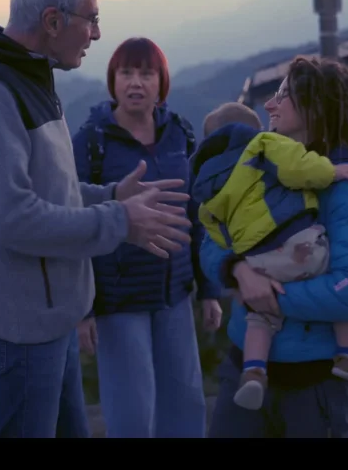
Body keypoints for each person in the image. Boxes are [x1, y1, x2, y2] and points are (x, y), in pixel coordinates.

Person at [0, 0, 194, 438]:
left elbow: (49, 189)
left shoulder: (27, 77)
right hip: (20, 325)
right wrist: (119, 221)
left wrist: (110, 194)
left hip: (52, 316)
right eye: (92, 19)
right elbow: (13, 218)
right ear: (53, 21)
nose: (97, 34)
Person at [199, 55, 348, 438]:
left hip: (313, 385)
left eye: (284, 95)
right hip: (245, 368)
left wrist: (266, 296)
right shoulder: (262, 166)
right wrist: (238, 271)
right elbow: (211, 238)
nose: (269, 105)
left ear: (315, 108)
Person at [71, 36, 223, 438]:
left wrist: (208, 290)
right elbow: (73, 223)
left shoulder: (179, 135)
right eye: (126, 73)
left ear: (161, 82)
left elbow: (197, 213)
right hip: (118, 298)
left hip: (175, 293)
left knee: (186, 406)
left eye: (146, 73)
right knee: (132, 413)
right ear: (113, 80)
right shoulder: (91, 142)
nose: (135, 82)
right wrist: (83, 310)